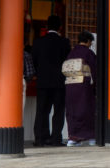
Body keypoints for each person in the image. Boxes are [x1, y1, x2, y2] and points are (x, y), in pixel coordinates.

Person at [32, 15, 71, 147]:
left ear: (47, 26)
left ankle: (40, 138)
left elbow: (34, 62)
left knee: (42, 110)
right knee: (58, 111)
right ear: (60, 27)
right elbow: (68, 62)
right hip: (60, 82)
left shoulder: (38, 42)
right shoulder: (64, 42)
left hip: (42, 82)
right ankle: (56, 139)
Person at [65, 31, 97, 147]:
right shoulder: (88, 53)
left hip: (70, 86)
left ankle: (73, 137)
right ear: (88, 41)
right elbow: (94, 70)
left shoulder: (71, 53)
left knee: (72, 111)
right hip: (84, 86)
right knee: (86, 109)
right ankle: (90, 137)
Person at [23, 46, 35, 112]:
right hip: (20, 80)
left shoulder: (1, 52)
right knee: (19, 110)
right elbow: (30, 73)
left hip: (3, 83)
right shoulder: (25, 54)